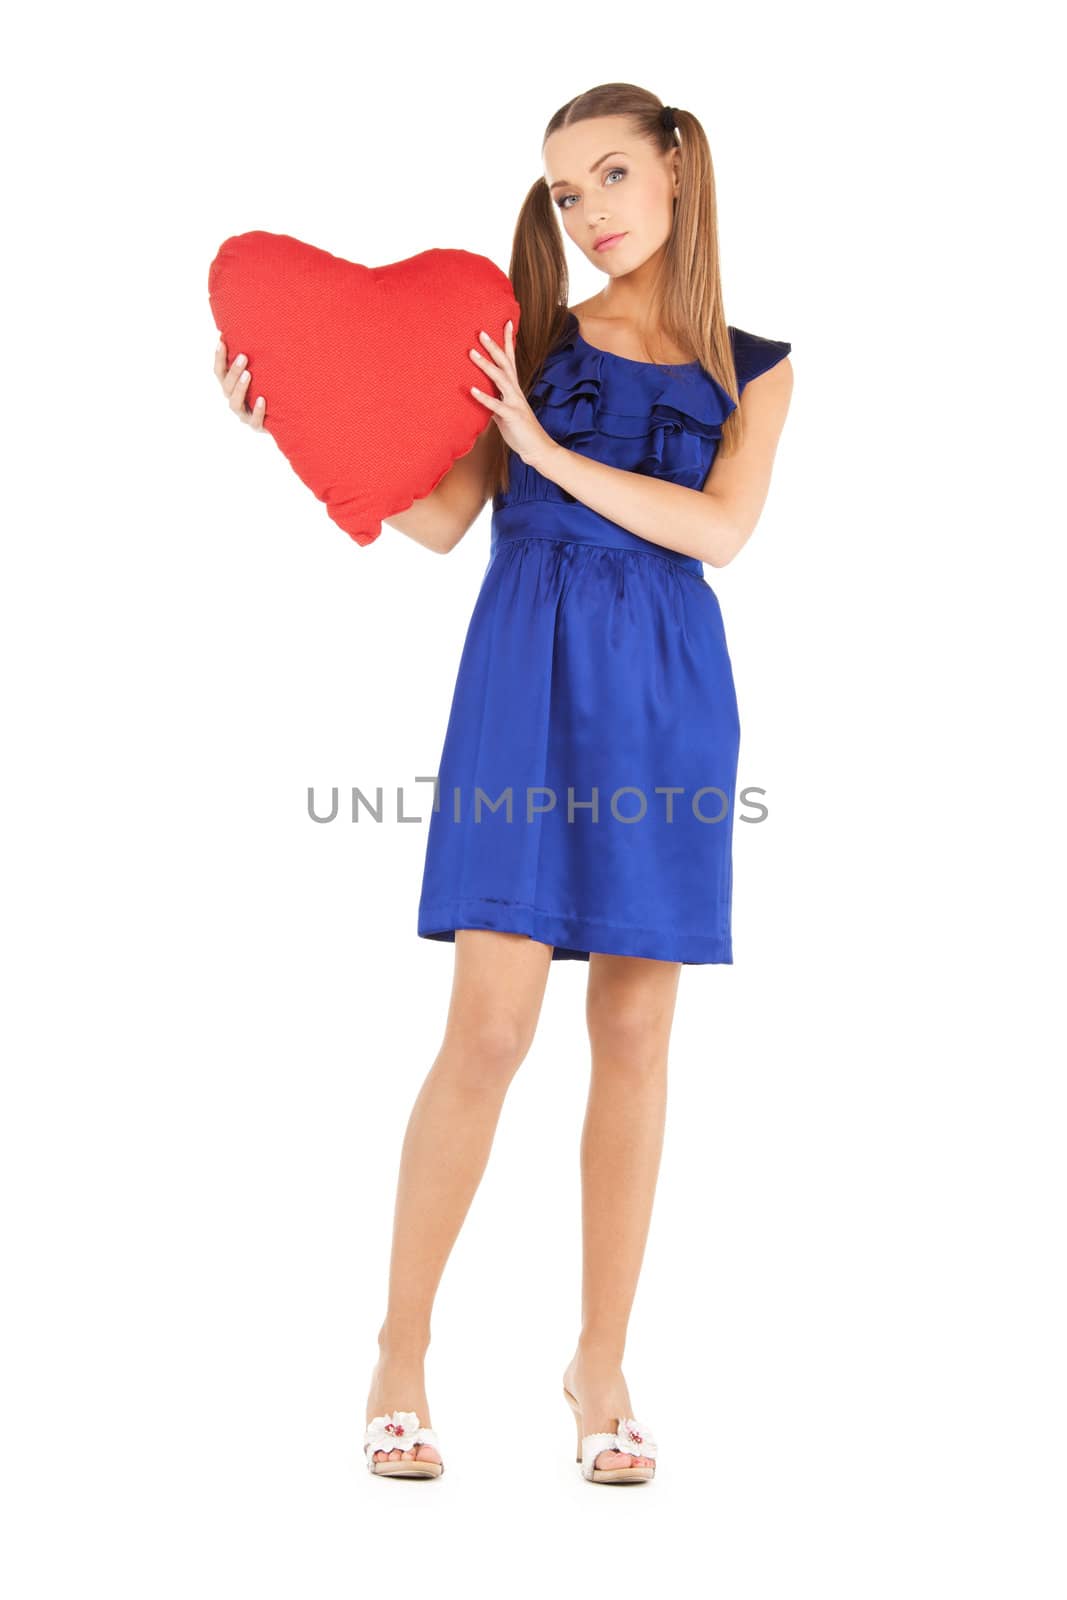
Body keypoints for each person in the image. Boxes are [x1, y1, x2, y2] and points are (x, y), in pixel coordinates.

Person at [214, 83, 793, 1486]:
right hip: (521, 689)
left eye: (608, 176)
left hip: (664, 702)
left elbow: (719, 531)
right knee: (488, 1025)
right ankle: (399, 1351)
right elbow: (440, 519)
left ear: (676, 168)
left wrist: (551, 456)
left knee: (640, 1032)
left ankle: (601, 1365)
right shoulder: (521, 341)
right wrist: (286, 426)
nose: (588, 213)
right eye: (562, 192)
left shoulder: (753, 363)